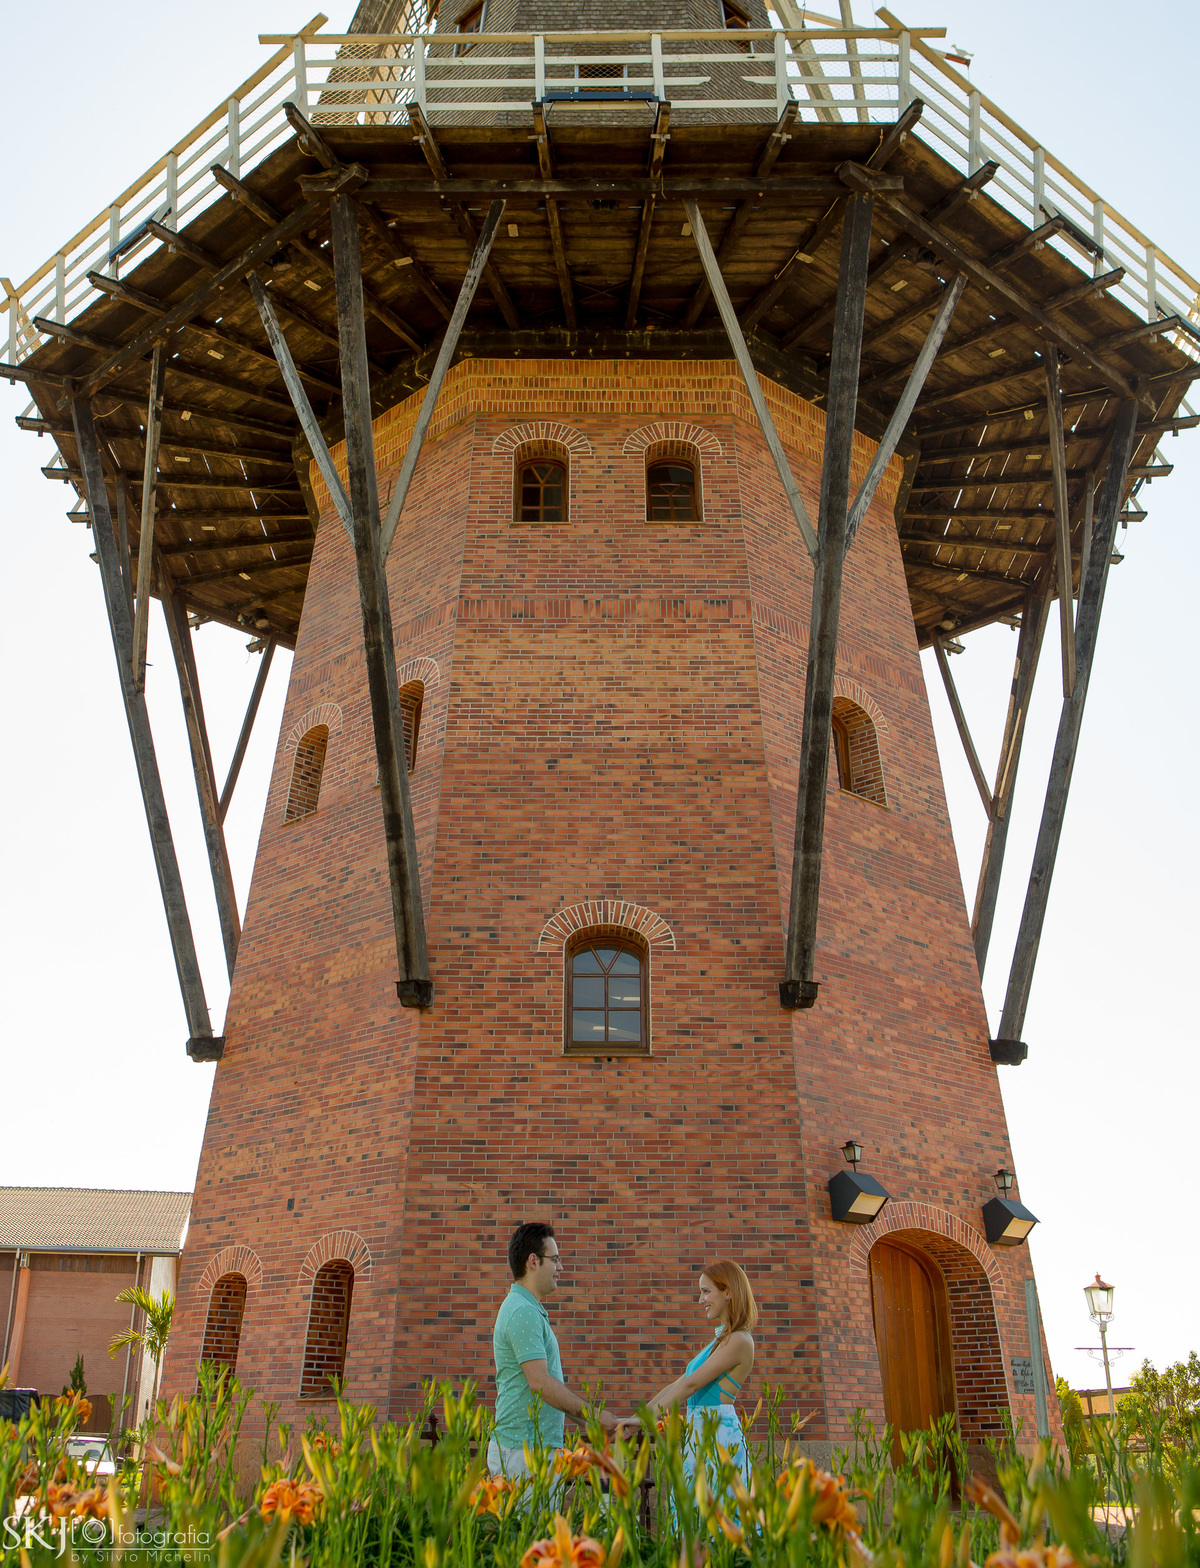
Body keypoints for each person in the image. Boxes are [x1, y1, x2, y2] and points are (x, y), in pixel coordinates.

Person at [489, 1221, 621, 1479]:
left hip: (530, 1450)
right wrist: (595, 1414)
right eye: (555, 1259)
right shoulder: (522, 1311)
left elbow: (547, 1390)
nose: (560, 1267)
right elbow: (541, 1385)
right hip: (523, 1452)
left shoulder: (528, 1309)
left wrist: (594, 1425)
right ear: (533, 1262)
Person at [641, 1258, 757, 1483]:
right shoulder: (720, 1341)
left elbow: (690, 1385)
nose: (701, 1299)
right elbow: (678, 1383)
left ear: (728, 1292)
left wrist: (643, 1419)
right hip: (702, 1433)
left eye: (706, 1291)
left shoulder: (740, 1340)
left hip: (718, 1436)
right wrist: (639, 1417)